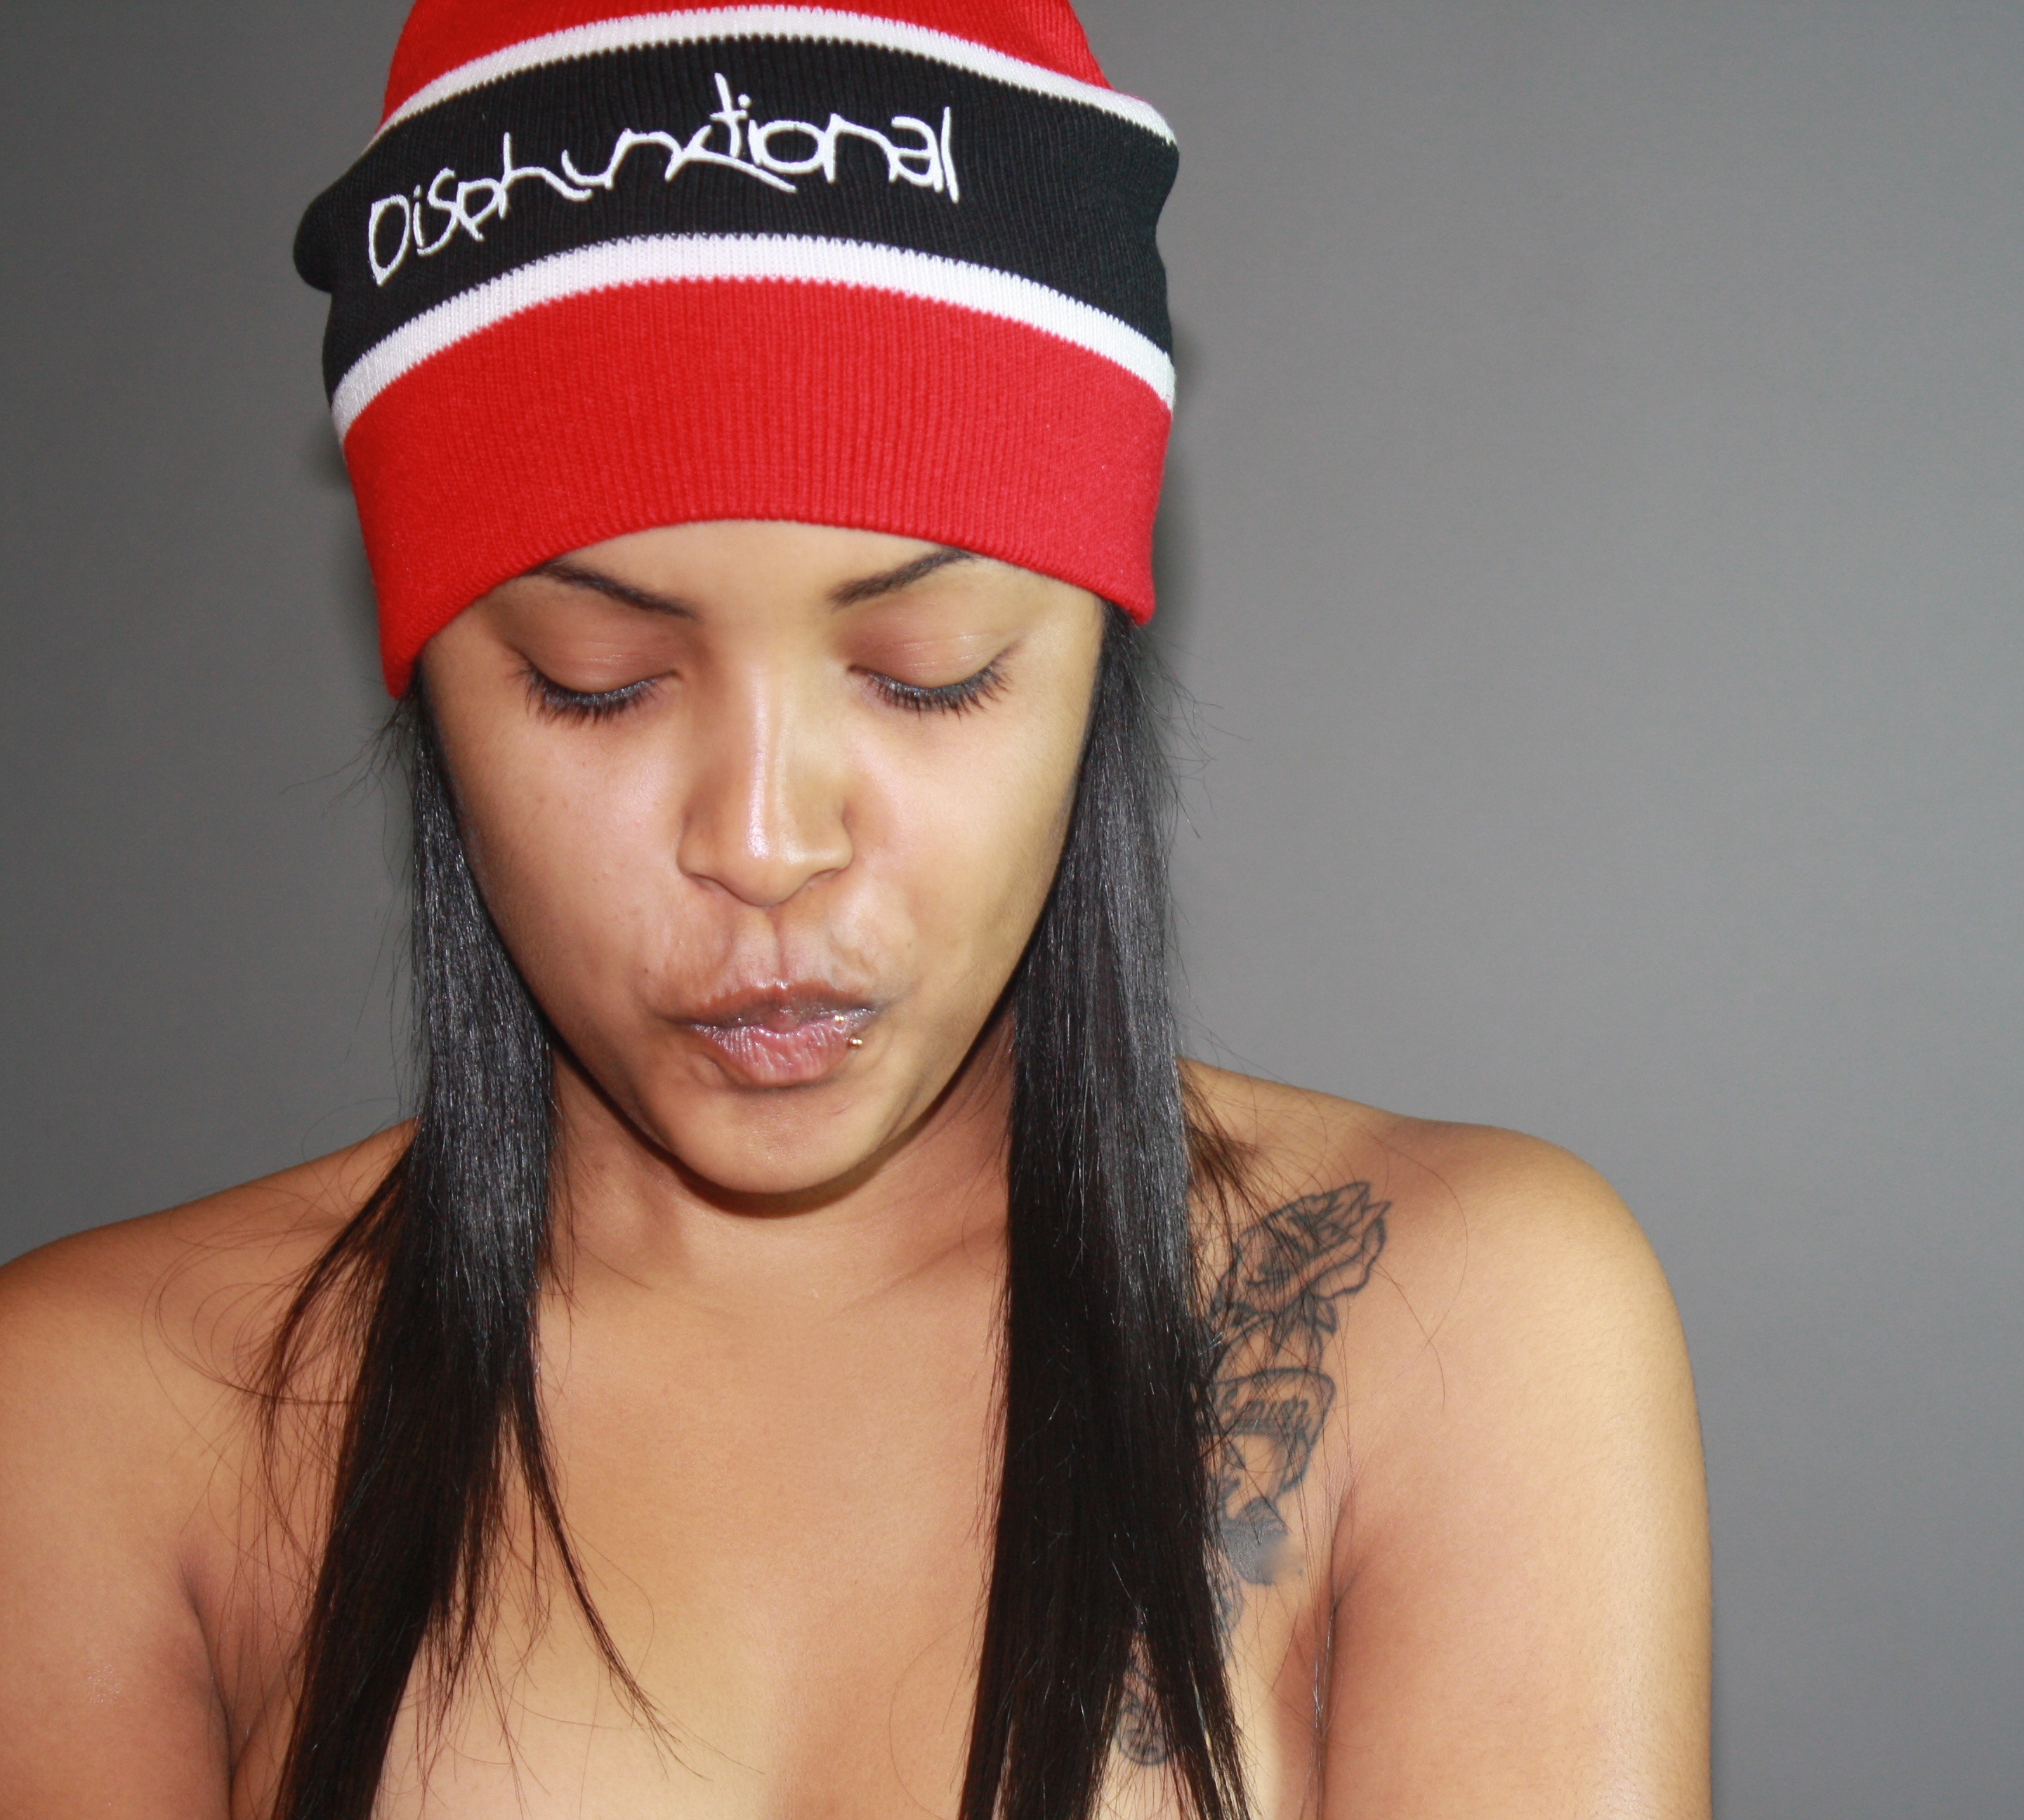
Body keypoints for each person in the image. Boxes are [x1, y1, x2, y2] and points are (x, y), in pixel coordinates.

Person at [0, 1, 1712, 1814]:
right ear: (429, 677)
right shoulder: (98, 1426)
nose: (764, 841)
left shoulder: (1456, 1334)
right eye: (594, 682)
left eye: (929, 669)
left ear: (1093, 657)